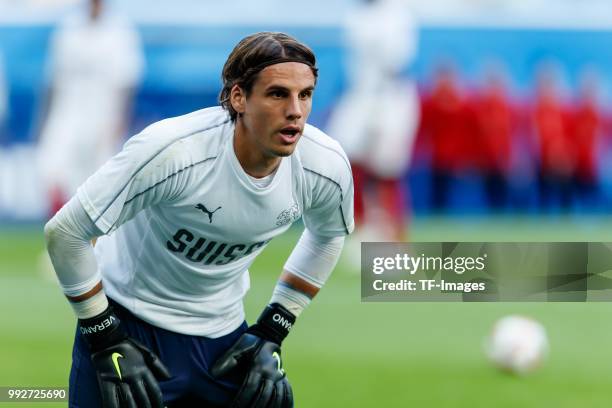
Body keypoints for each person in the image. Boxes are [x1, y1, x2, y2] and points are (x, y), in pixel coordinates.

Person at [44, 32, 354, 407]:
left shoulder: (324, 165)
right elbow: (66, 232)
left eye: (305, 95)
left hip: (224, 343)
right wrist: (103, 336)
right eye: (278, 94)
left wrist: (275, 326)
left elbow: (328, 235)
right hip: (128, 331)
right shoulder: (173, 151)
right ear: (238, 97)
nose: (296, 111)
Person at [37, 0, 143, 217]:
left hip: (103, 111)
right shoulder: (69, 26)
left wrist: (120, 119)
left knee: (96, 175)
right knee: (53, 168)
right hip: (68, 108)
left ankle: (90, 240)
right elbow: (53, 78)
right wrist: (44, 118)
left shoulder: (120, 29)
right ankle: (57, 230)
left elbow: (127, 81)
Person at [327, 0, 419, 241]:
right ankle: (359, 228)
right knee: (346, 161)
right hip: (361, 93)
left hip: (391, 95)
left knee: (387, 169)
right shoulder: (355, 15)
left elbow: (396, 60)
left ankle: (395, 235)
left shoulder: (396, 13)